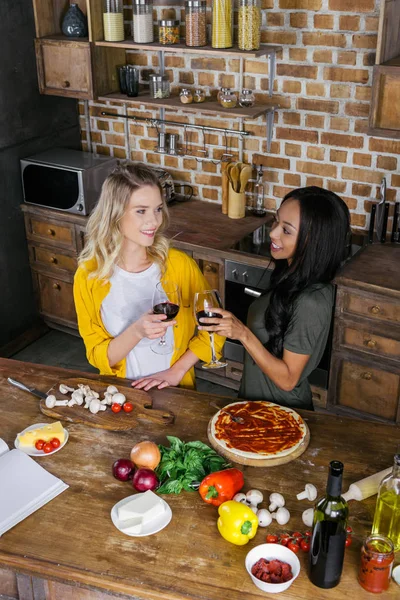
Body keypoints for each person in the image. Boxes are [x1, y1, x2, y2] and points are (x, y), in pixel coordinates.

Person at [73, 162, 224, 390]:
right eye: (141, 211)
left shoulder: (179, 265)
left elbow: (216, 327)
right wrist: (137, 331)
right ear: (115, 213)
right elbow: (97, 355)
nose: (154, 221)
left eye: (158, 209)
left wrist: (177, 371)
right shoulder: (89, 276)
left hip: (177, 391)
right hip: (121, 395)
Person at [198, 186, 351, 410]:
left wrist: (242, 333)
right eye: (276, 221)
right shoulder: (290, 275)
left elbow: (288, 380)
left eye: (286, 230)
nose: (273, 233)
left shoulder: (312, 301)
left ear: (314, 241)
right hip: (254, 404)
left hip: (281, 413)